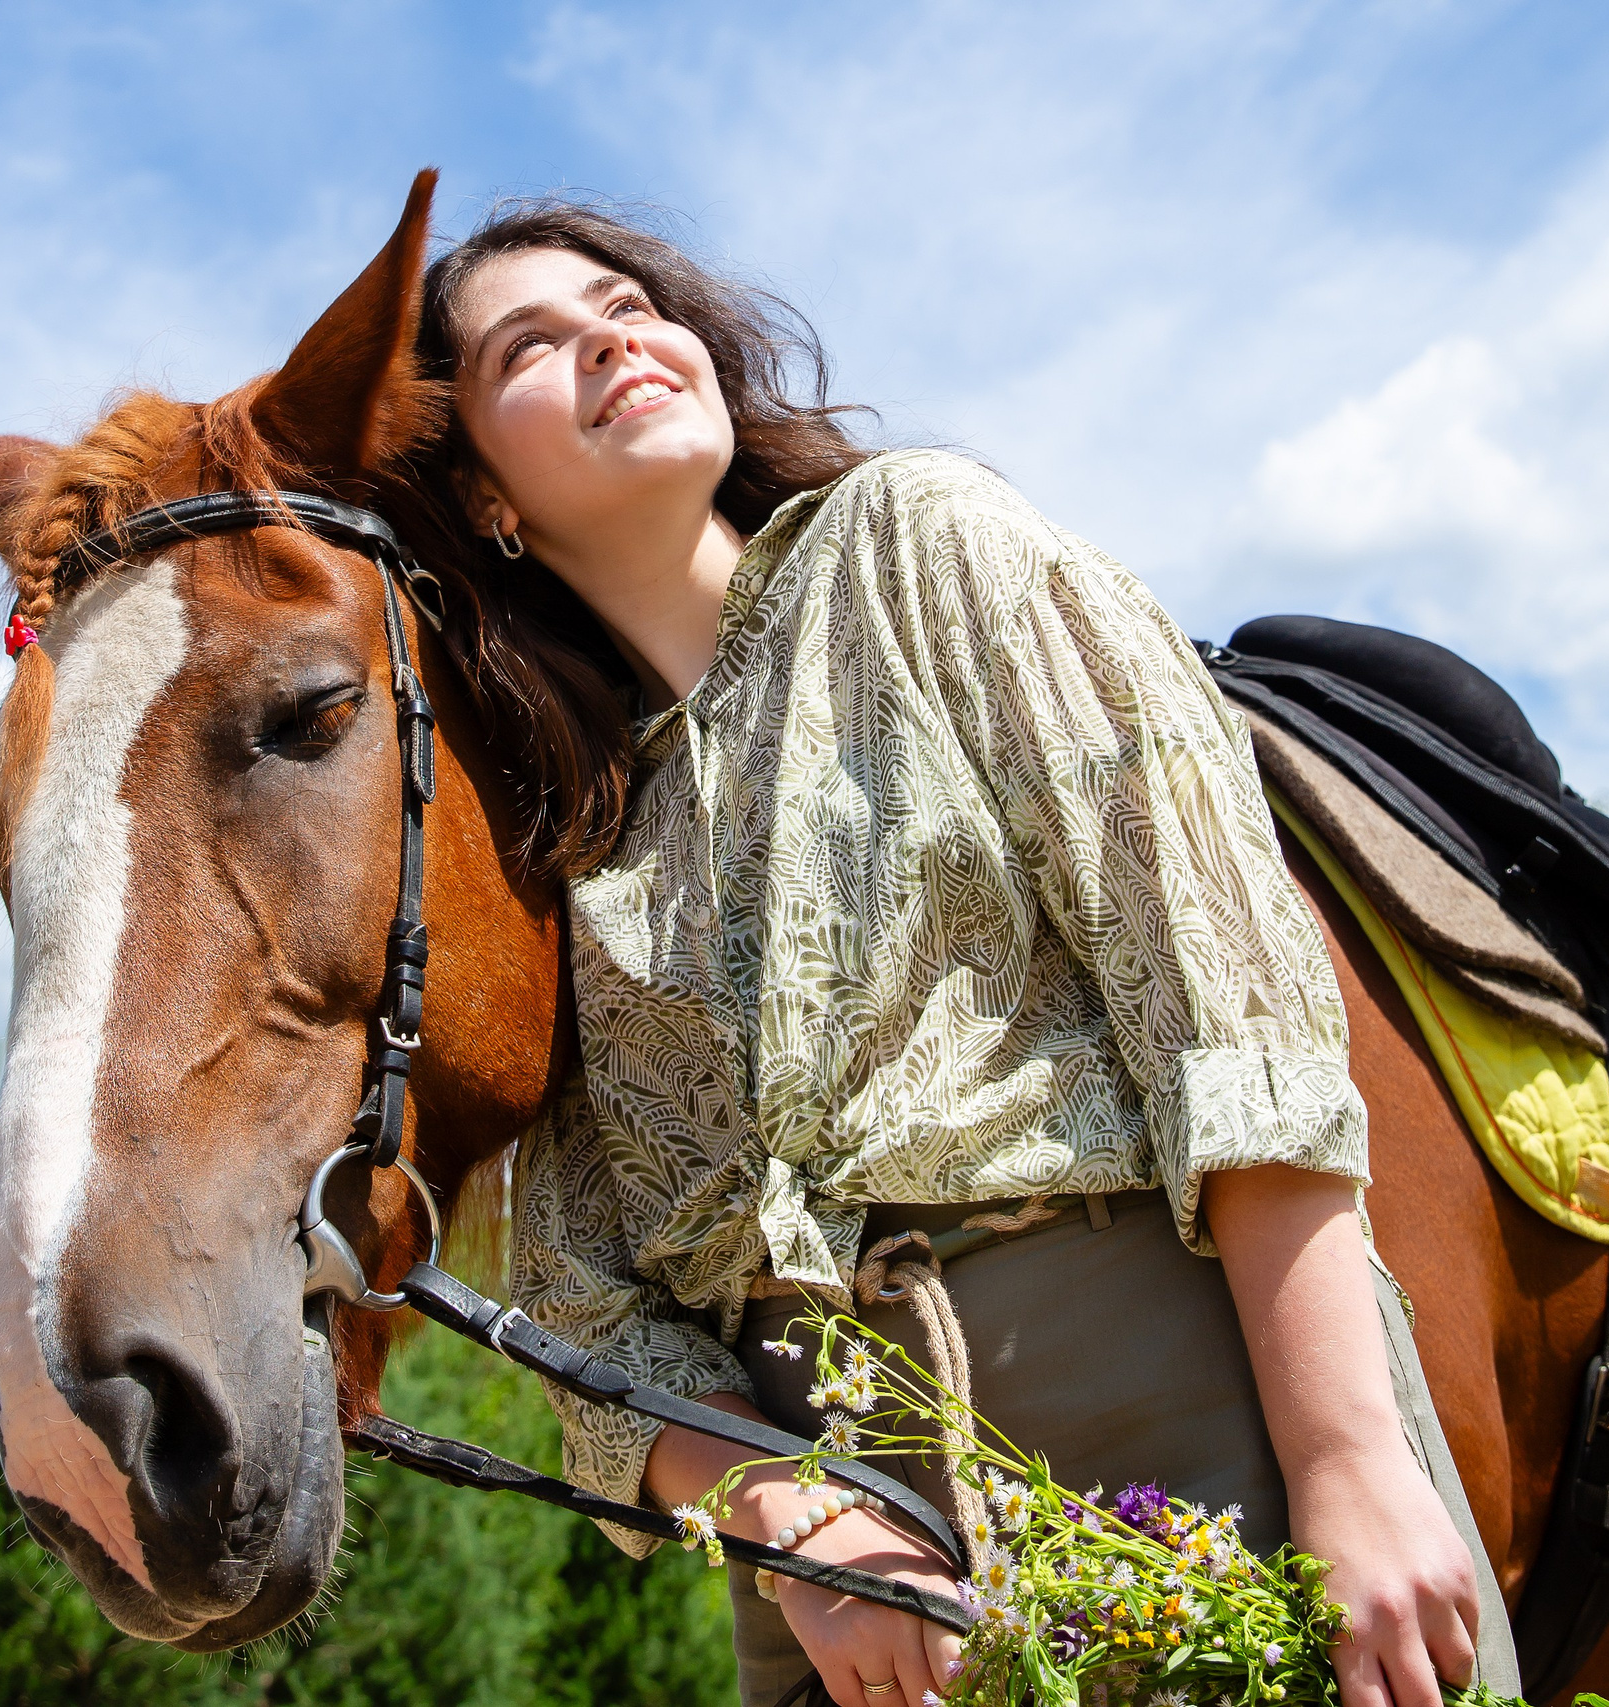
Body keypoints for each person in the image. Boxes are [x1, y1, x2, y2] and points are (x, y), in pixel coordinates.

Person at [394, 198, 1521, 1707]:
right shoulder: (563, 841)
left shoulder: (919, 539)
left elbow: (1226, 996)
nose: (610, 337)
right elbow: (585, 1312)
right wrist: (796, 1521)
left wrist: (1347, 1458)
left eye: (628, 304)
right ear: (481, 495)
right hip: (836, 1590)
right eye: (529, 345)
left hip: (1182, 1441)